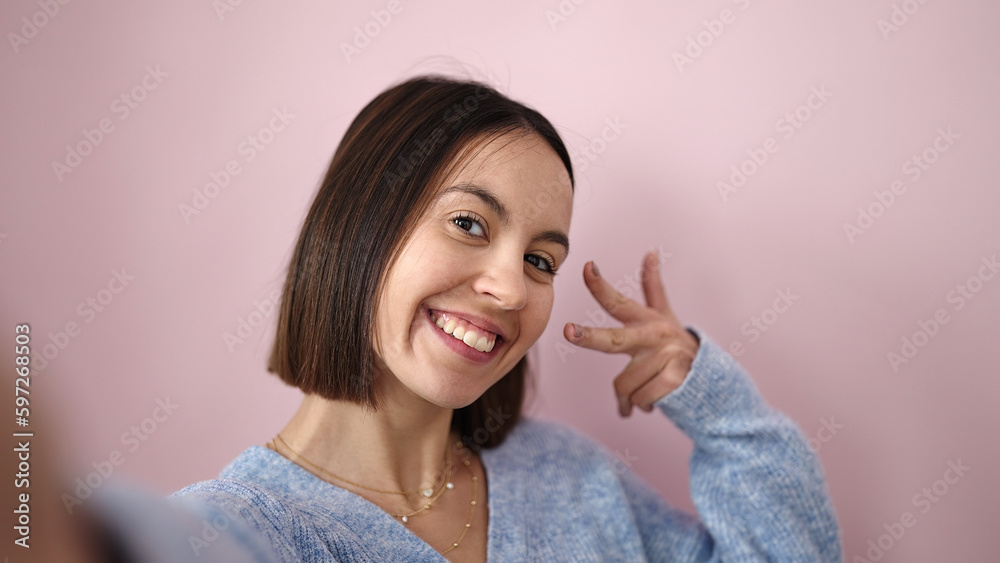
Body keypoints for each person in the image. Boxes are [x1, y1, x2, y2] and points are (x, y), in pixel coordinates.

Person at [172, 74, 842, 562]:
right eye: (469, 223)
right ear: (358, 230)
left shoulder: (575, 479)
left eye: (540, 261)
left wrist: (718, 409)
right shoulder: (231, 530)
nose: (512, 289)